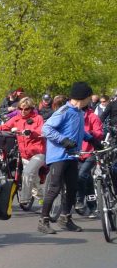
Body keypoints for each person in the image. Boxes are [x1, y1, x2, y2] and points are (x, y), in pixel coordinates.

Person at [39, 82, 95, 233]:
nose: (90, 100)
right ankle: (43, 221)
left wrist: (91, 139)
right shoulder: (64, 111)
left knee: (72, 188)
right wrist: (62, 140)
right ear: (82, 97)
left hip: (72, 156)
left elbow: (78, 131)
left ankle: (66, 218)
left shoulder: (79, 112)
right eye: (89, 97)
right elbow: (46, 129)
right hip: (58, 155)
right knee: (55, 188)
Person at [0, 97, 45, 208]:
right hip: (25, 154)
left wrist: (31, 132)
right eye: (20, 108)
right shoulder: (16, 118)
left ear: (31, 108)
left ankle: (24, 199)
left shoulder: (38, 118)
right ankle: (42, 199)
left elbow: (42, 130)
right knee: (34, 180)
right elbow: (5, 126)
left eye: (26, 109)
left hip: (38, 152)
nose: (23, 111)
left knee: (27, 173)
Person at [75, 102, 104, 218]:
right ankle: (93, 207)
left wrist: (89, 133)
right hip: (77, 153)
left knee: (81, 175)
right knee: (87, 180)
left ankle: (79, 200)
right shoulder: (73, 117)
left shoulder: (93, 117)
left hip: (90, 152)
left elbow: (100, 133)